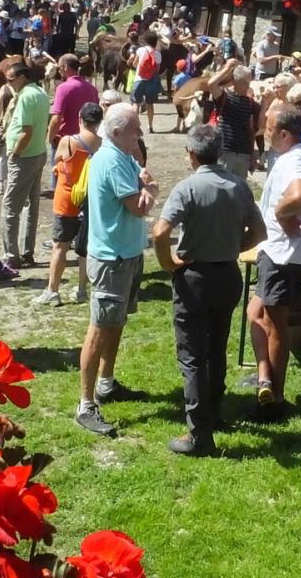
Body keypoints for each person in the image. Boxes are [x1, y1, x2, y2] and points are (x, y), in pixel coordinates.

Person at [153, 123, 266, 456]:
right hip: (227, 275)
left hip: (194, 277)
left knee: (192, 357)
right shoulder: (239, 186)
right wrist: (234, 246)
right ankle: (214, 414)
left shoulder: (187, 188)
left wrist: (168, 262)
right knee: (217, 348)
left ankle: (199, 434)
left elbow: (160, 231)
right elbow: (259, 231)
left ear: (191, 153)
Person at [76, 103, 157, 437]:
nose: (140, 134)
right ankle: (85, 404)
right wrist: (151, 189)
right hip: (113, 258)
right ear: (117, 131)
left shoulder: (121, 155)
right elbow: (138, 208)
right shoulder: (112, 160)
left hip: (126, 254)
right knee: (100, 327)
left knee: (115, 322)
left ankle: (106, 385)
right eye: (135, 129)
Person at [248, 108, 301, 420]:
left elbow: (299, 194)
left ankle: (275, 398)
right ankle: (264, 377)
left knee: (275, 325)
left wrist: (280, 213)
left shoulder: (296, 160)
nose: (264, 131)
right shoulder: (292, 157)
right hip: (275, 252)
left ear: (285, 135)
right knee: (255, 312)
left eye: (269, 127)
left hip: (284, 257)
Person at [37, 101, 103, 308]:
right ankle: (82, 290)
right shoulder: (103, 143)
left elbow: (58, 159)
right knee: (85, 248)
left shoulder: (68, 141)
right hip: (90, 200)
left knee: (60, 246)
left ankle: (53, 291)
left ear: (80, 119)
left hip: (67, 200)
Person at [0, 61, 50, 269]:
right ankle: (27, 251)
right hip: (38, 153)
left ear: (22, 78)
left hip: (25, 156)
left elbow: (26, 131)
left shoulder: (26, 97)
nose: (8, 84)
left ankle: (11, 255)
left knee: (10, 207)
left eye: (10, 80)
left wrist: (14, 153)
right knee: (32, 205)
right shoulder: (40, 92)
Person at [205, 60, 259, 178]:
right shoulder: (224, 97)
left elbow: (250, 130)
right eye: (244, 83)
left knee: (238, 189)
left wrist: (252, 155)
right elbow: (211, 84)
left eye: (249, 82)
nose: (248, 86)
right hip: (224, 151)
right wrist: (226, 68)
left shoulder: (249, 102)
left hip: (243, 153)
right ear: (234, 81)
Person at [130, 31, 163, 134]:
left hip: (139, 80)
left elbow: (135, 64)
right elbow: (157, 70)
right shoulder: (157, 53)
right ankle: (150, 126)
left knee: (136, 104)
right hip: (152, 81)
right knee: (150, 104)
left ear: (146, 41)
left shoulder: (140, 50)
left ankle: (134, 127)